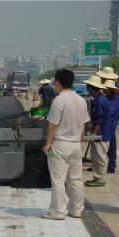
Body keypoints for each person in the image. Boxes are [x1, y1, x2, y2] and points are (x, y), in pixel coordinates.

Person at [41, 69, 90, 220]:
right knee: (75, 180)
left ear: (57, 82)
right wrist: (79, 141)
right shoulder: (81, 100)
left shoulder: (59, 100)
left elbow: (53, 125)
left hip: (60, 144)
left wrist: (48, 143)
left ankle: (58, 211)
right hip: (75, 144)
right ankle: (76, 210)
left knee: (58, 180)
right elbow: (83, 125)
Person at [84, 76, 111, 187]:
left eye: (87, 87)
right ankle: (97, 177)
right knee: (95, 156)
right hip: (101, 132)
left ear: (91, 88)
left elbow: (100, 120)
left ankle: (100, 178)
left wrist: (94, 134)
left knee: (100, 156)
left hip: (102, 134)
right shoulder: (98, 99)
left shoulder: (100, 101)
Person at [103, 80, 119, 173]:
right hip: (108, 124)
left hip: (111, 124)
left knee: (111, 145)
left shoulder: (115, 98)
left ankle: (111, 166)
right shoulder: (108, 97)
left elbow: (110, 111)